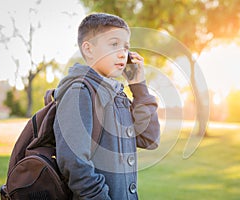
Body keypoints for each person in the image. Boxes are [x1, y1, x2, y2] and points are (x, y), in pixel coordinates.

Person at [53, 13, 160, 200]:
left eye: (126, 47)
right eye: (114, 44)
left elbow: (149, 138)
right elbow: (75, 162)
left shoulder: (117, 95)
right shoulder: (79, 92)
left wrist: (139, 87)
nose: (122, 53)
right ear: (88, 49)